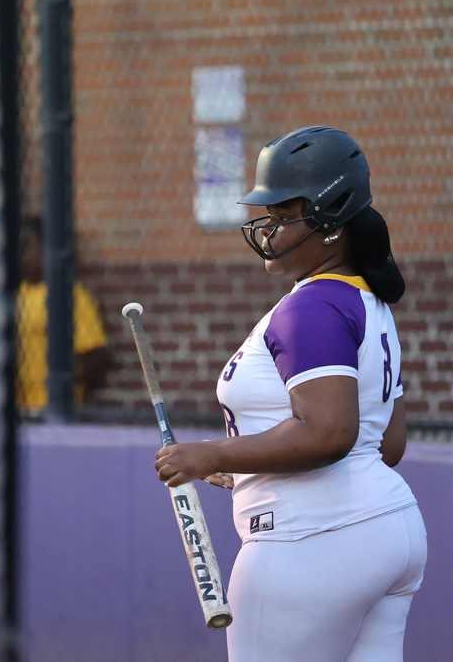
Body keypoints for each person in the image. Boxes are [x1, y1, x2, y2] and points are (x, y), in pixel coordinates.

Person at [154, 126, 427, 662]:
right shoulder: (368, 302)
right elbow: (386, 445)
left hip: (310, 538)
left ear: (332, 224)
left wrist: (212, 454)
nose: (268, 227)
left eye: (284, 215)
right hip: (389, 530)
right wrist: (249, 462)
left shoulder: (313, 305)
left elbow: (329, 433)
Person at [15, 215, 109, 415]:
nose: (19, 253)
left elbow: (94, 354)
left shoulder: (69, 295)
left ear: (45, 247)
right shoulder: (14, 295)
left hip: (49, 409)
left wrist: (70, 392)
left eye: (25, 245)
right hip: (17, 411)